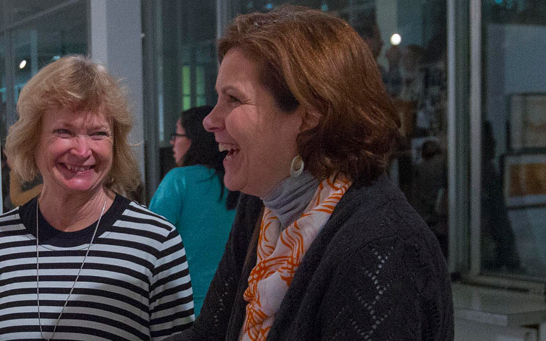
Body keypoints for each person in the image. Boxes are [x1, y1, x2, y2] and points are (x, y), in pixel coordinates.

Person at [170, 7, 452, 340]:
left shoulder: (383, 248)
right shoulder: (263, 206)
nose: (209, 120)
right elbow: (209, 335)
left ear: (309, 116)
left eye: (233, 99)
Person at [0, 55, 195, 340]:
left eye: (98, 134)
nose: (82, 151)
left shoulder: (156, 242)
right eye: (64, 132)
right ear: (33, 140)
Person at [149, 105, 239, 317]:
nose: (172, 142)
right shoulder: (238, 184)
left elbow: (149, 243)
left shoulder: (179, 180)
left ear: (194, 139)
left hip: (184, 307)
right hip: (233, 306)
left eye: (177, 134)